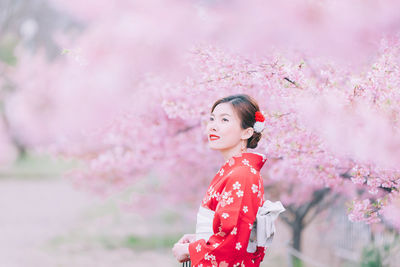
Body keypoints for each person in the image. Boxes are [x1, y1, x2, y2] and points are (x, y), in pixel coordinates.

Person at [172, 94, 269, 266]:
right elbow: (227, 230)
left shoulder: (243, 174)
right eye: (212, 119)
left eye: (224, 120)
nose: (213, 127)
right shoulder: (234, 171)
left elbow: (232, 243)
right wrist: (198, 239)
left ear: (247, 132)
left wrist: (189, 250)